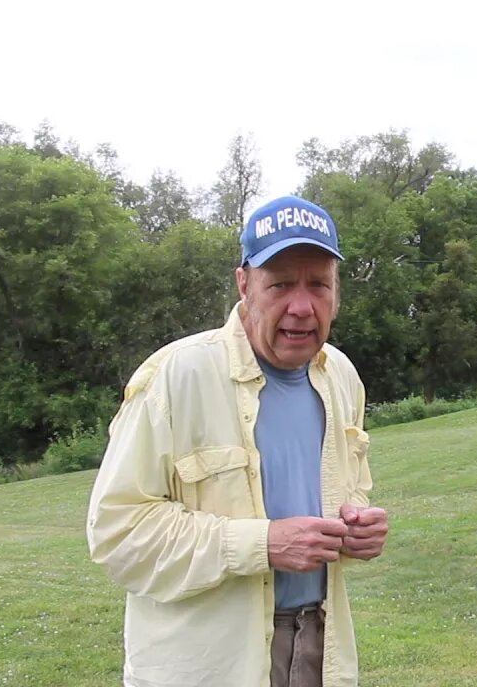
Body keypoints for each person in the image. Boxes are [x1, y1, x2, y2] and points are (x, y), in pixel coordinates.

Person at [87, 195, 388, 687]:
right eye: (281, 284)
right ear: (244, 283)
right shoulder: (176, 376)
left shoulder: (342, 377)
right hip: (207, 664)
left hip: (320, 648)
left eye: (318, 284)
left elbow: (343, 495)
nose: (301, 306)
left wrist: (356, 529)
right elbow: (117, 533)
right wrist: (262, 543)